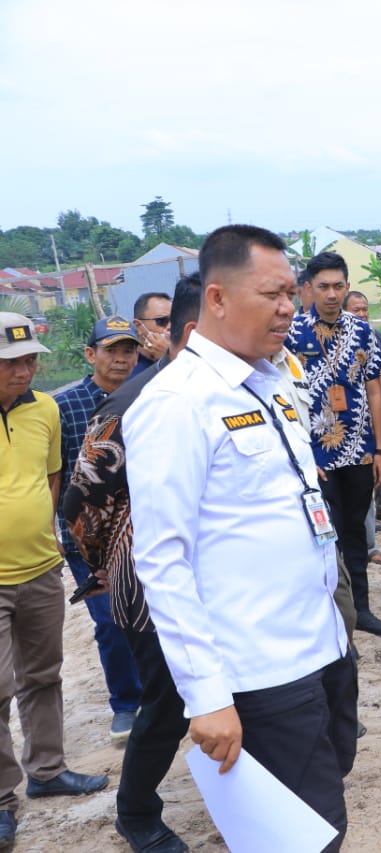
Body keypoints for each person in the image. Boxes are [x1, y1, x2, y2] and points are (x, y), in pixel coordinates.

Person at [125, 226, 356, 850]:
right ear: (219, 299)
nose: (289, 307)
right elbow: (163, 560)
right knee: (304, 837)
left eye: (291, 293)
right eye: (273, 294)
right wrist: (205, 697)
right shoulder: (178, 401)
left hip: (321, 644)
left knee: (325, 798)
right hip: (260, 669)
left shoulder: (272, 378)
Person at [62, 275, 203, 853]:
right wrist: (110, 562)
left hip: (222, 579)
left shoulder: (240, 388)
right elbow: (82, 501)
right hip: (153, 584)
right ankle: (136, 811)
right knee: (167, 704)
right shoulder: (134, 402)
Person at [0, 312, 110, 848]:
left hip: (41, 569)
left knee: (43, 675)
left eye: (29, 361)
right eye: (11, 363)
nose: (23, 372)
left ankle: (47, 771)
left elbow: (51, 479)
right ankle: (0, 796)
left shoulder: (44, 409)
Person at [288, 252, 381, 638]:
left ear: (347, 287)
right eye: (323, 287)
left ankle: (361, 609)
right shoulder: (291, 332)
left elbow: (373, 387)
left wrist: (379, 449)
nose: (331, 294)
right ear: (308, 290)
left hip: (359, 450)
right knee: (319, 536)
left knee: (355, 532)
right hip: (314, 455)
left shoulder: (363, 331)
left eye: (338, 286)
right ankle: (327, 616)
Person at [55, 316, 144, 741]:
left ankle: (159, 693)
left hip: (138, 527)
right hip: (86, 534)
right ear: (91, 355)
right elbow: (55, 474)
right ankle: (126, 704)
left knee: (147, 613)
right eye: (111, 350)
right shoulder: (65, 406)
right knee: (110, 620)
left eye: (129, 350)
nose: (122, 359)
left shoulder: (148, 396)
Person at [343, 290, 381, 534]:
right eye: (356, 309)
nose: (362, 313)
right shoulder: (342, 339)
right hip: (356, 413)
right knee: (362, 462)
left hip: (380, 411)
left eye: (364, 309)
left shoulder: (375, 336)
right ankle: (366, 512)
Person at [130, 292, 172, 377]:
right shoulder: (126, 366)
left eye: (175, 320)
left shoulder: (186, 356)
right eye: (162, 321)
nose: (170, 326)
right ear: (138, 326)